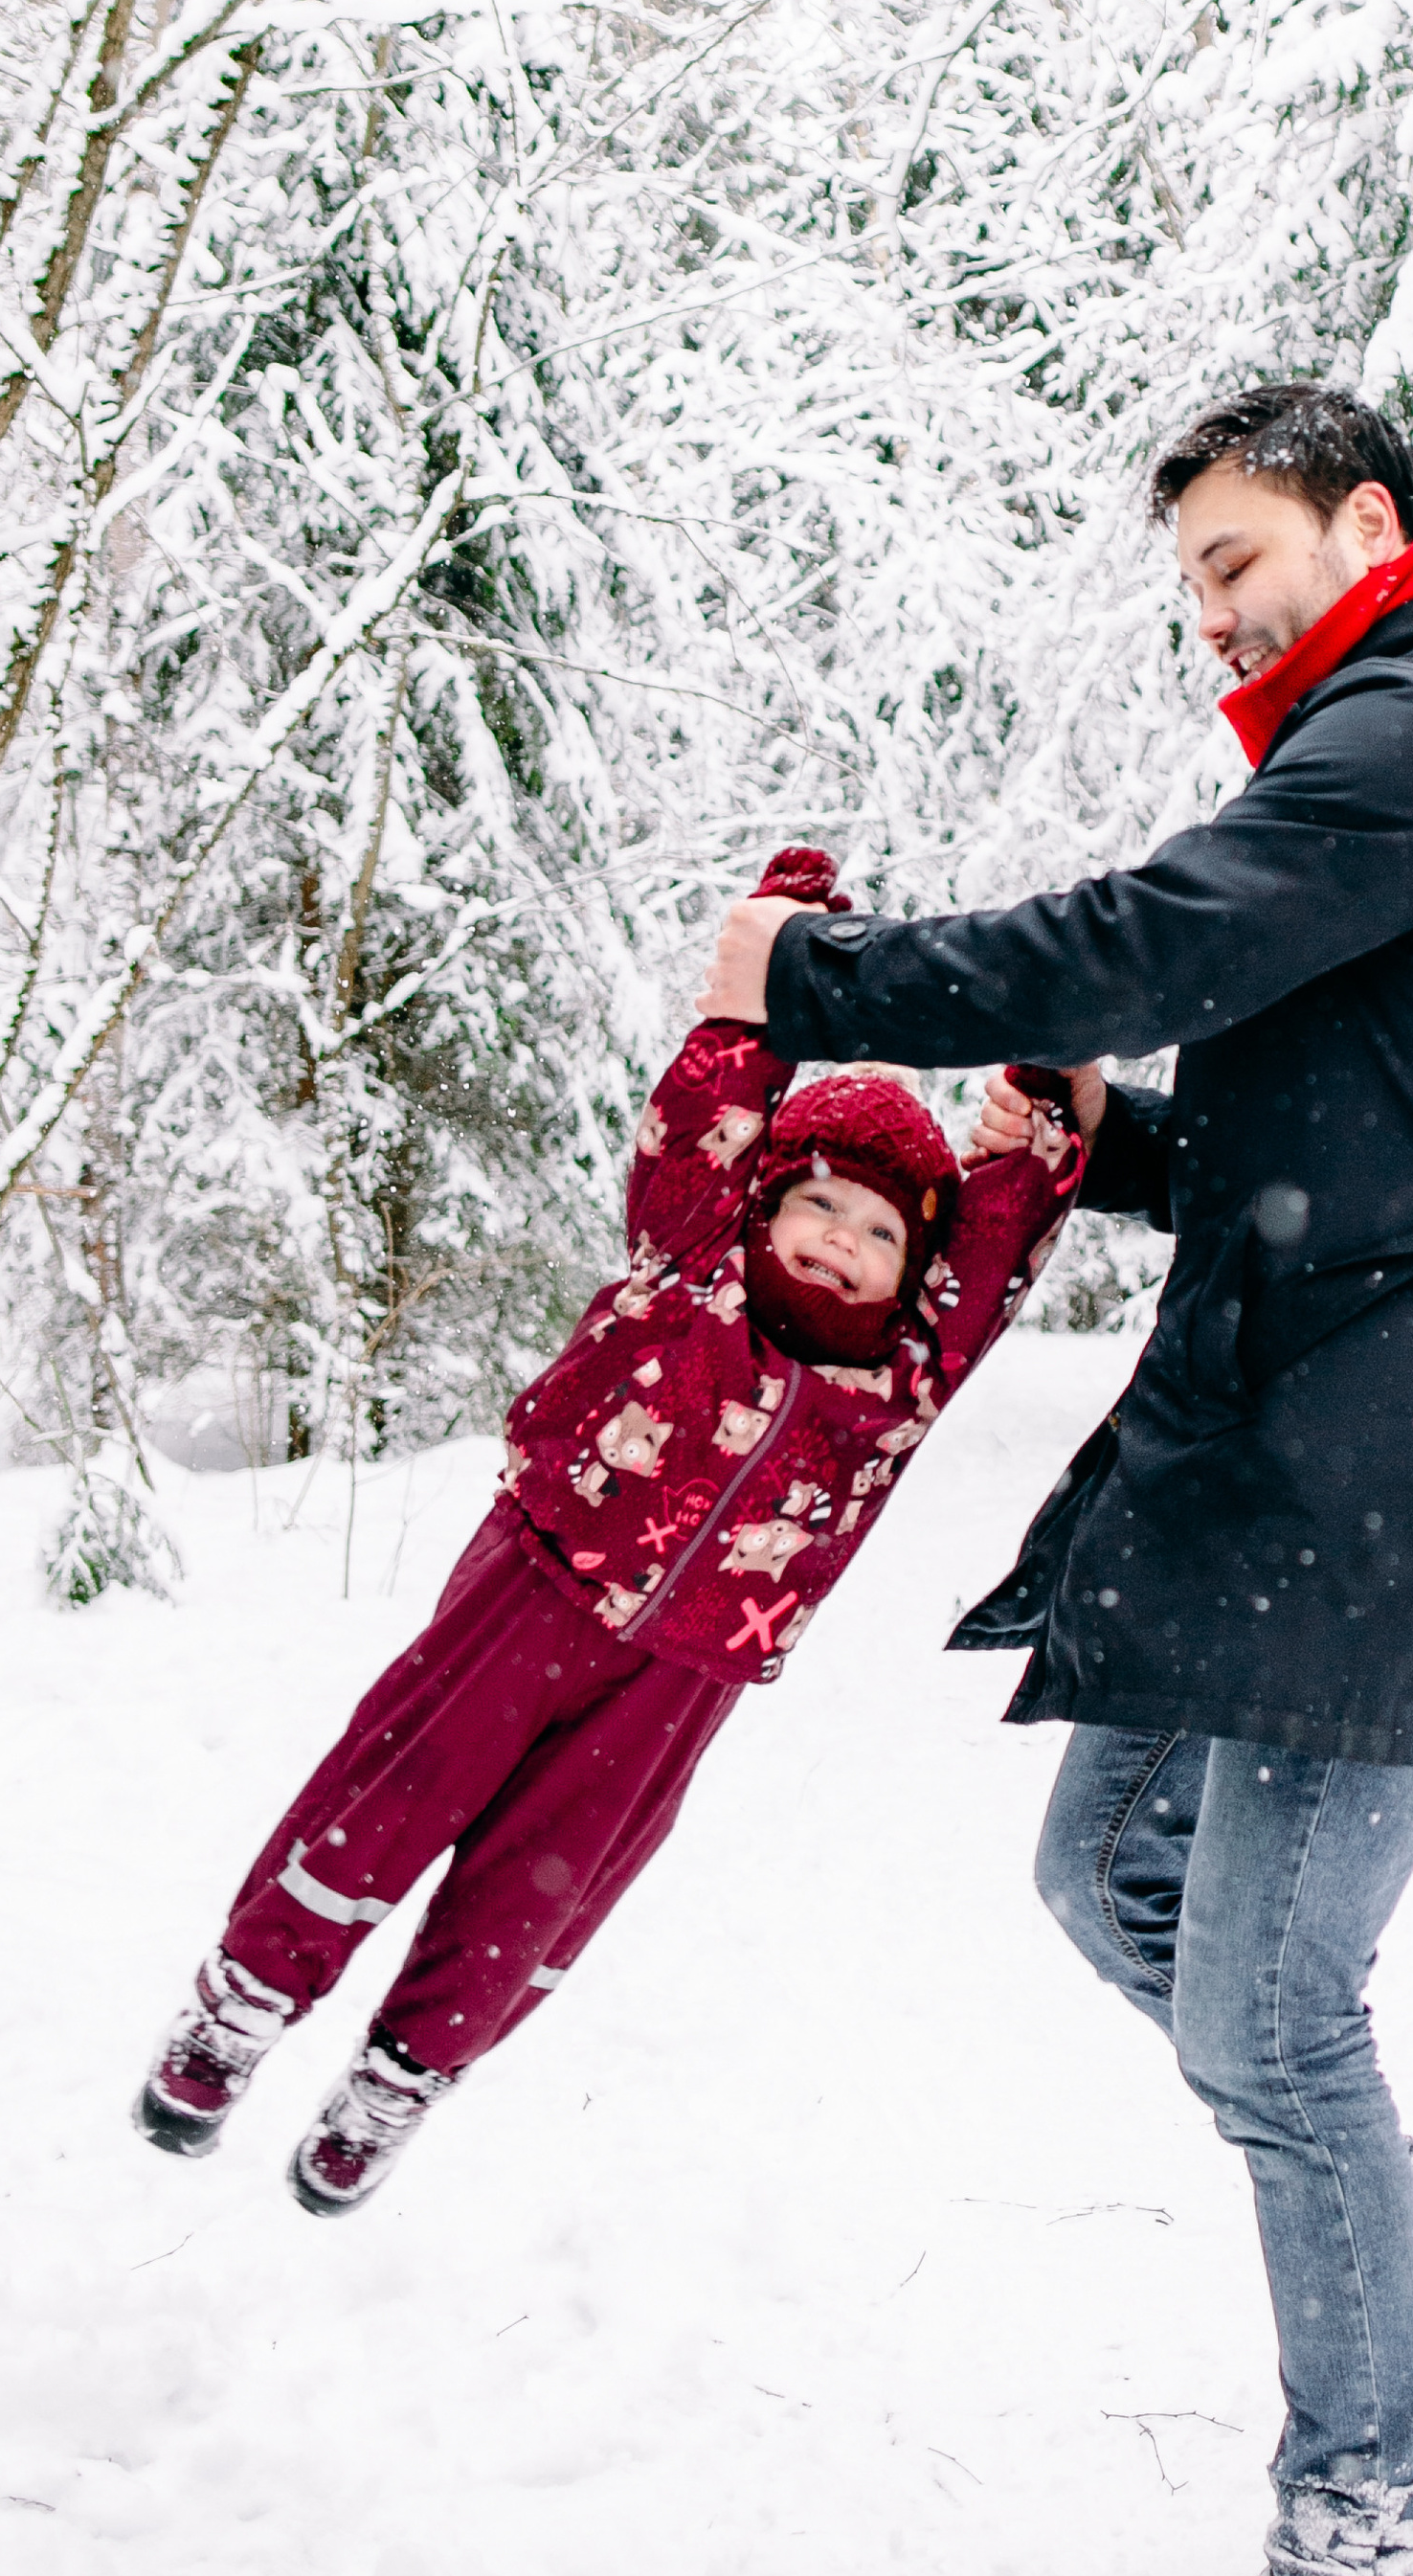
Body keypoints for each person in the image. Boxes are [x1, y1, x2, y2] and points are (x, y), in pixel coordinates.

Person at [697, 384, 1413, 2576]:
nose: (1207, 604)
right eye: (1187, 573)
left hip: (1397, 1475)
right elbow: (1320, 1148)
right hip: (1291, 1445)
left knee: (1265, 2010)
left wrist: (811, 986)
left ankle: (1369, 2566)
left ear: (1372, 526)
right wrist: (1110, 1149)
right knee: (1108, 1872)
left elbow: (1155, 927)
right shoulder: (1373, 761)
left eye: (1235, 554)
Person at [133, 847, 1085, 2215]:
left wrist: (1048, 1090)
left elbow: (998, 1243)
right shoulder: (690, 1257)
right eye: (811, 1197)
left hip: (689, 1667)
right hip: (535, 1584)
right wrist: (775, 972)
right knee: (387, 1796)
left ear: (911, 1269)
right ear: (759, 1200)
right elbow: (709, 1109)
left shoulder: (906, 1377)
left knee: (542, 1887)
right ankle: (244, 2003)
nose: (830, 1236)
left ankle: (404, 2074)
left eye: (872, 1230)